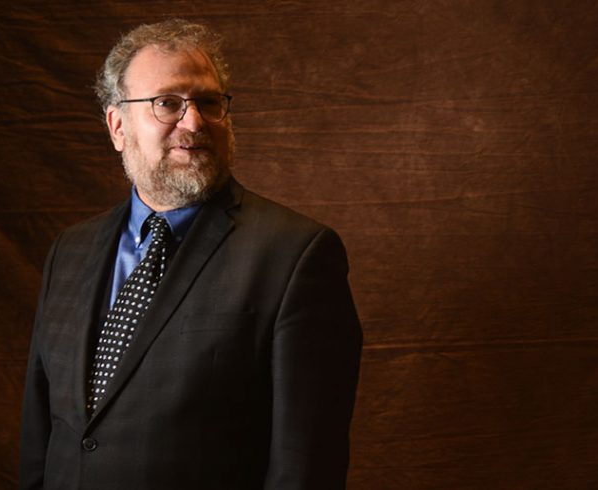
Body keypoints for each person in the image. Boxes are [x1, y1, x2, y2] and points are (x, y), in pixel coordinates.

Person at [19, 19, 363, 490]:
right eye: (168, 104)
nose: (195, 121)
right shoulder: (70, 252)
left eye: (208, 102)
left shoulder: (295, 256)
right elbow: (43, 436)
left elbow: (306, 466)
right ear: (117, 126)